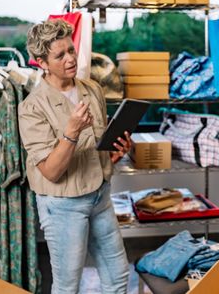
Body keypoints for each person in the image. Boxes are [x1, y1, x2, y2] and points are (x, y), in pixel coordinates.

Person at [18, 19, 131, 294]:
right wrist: (70, 132)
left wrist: (117, 151)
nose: (70, 59)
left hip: (100, 195)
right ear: (41, 62)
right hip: (63, 205)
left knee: (118, 278)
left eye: (71, 50)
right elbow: (51, 172)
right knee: (68, 287)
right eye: (60, 55)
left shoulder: (91, 89)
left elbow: (97, 147)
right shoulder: (31, 107)